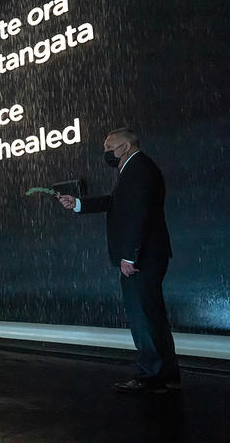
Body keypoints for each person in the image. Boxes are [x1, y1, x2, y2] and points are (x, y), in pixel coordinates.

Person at [58, 128, 178, 394]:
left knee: (143, 318)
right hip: (148, 255)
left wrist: (129, 256)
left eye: (108, 147)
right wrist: (78, 204)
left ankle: (150, 377)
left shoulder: (138, 170)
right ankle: (167, 375)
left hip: (141, 258)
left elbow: (138, 214)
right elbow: (117, 203)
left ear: (125, 146)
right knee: (153, 317)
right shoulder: (136, 169)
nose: (106, 153)